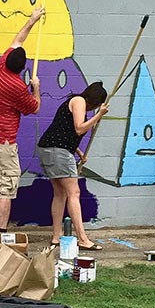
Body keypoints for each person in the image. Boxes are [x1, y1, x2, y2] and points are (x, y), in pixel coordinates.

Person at [0, 6, 44, 232]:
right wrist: (36, 88)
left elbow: (18, 40)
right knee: (3, 190)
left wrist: (32, 20)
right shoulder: (16, 87)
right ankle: (1, 235)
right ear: (22, 68)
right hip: (1, 144)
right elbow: (34, 108)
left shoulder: (0, 66)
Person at [37, 81, 109, 250]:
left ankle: (56, 236)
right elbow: (78, 129)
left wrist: (78, 151)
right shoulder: (79, 101)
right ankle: (82, 238)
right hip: (58, 151)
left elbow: (63, 130)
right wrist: (99, 115)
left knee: (60, 194)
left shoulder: (75, 102)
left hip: (49, 149)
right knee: (74, 193)